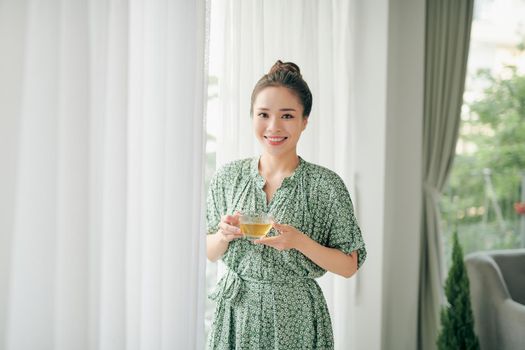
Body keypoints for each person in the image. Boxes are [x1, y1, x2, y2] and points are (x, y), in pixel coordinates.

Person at [206, 60, 366, 349]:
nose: (273, 127)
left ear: (305, 121)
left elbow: (349, 265)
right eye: (263, 114)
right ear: (252, 117)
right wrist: (222, 236)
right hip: (236, 312)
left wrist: (298, 241)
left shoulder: (325, 185)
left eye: (288, 116)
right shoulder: (228, 177)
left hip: (296, 319)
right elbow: (207, 250)